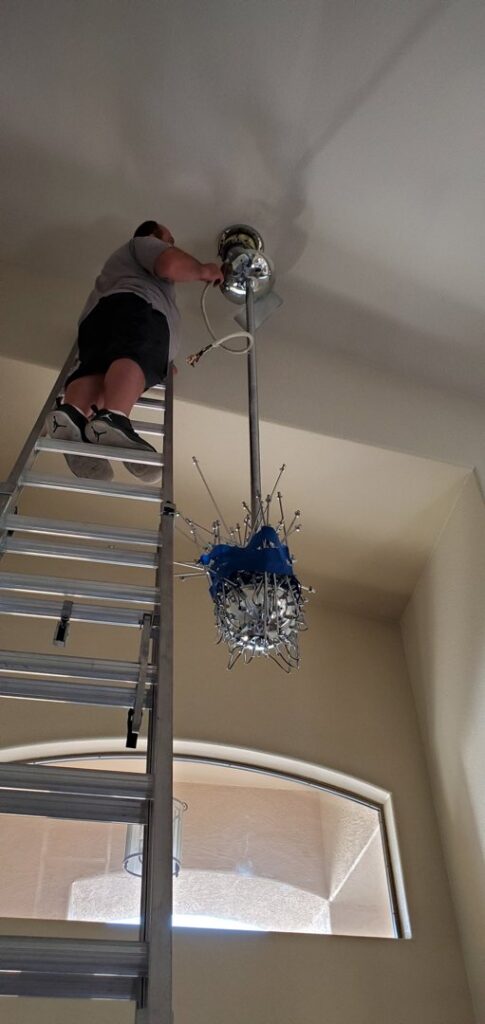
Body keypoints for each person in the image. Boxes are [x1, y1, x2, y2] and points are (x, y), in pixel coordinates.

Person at [47, 220, 223, 482]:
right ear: (153, 236)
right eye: (169, 240)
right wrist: (203, 270)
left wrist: (162, 361)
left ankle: (73, 413)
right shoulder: (143, 245)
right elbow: (169, 265)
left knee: (97, 367)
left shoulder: (117, 275)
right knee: (134, 356)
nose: (172, 245)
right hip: (137, 307)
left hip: (100, 319)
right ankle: (113, 420)